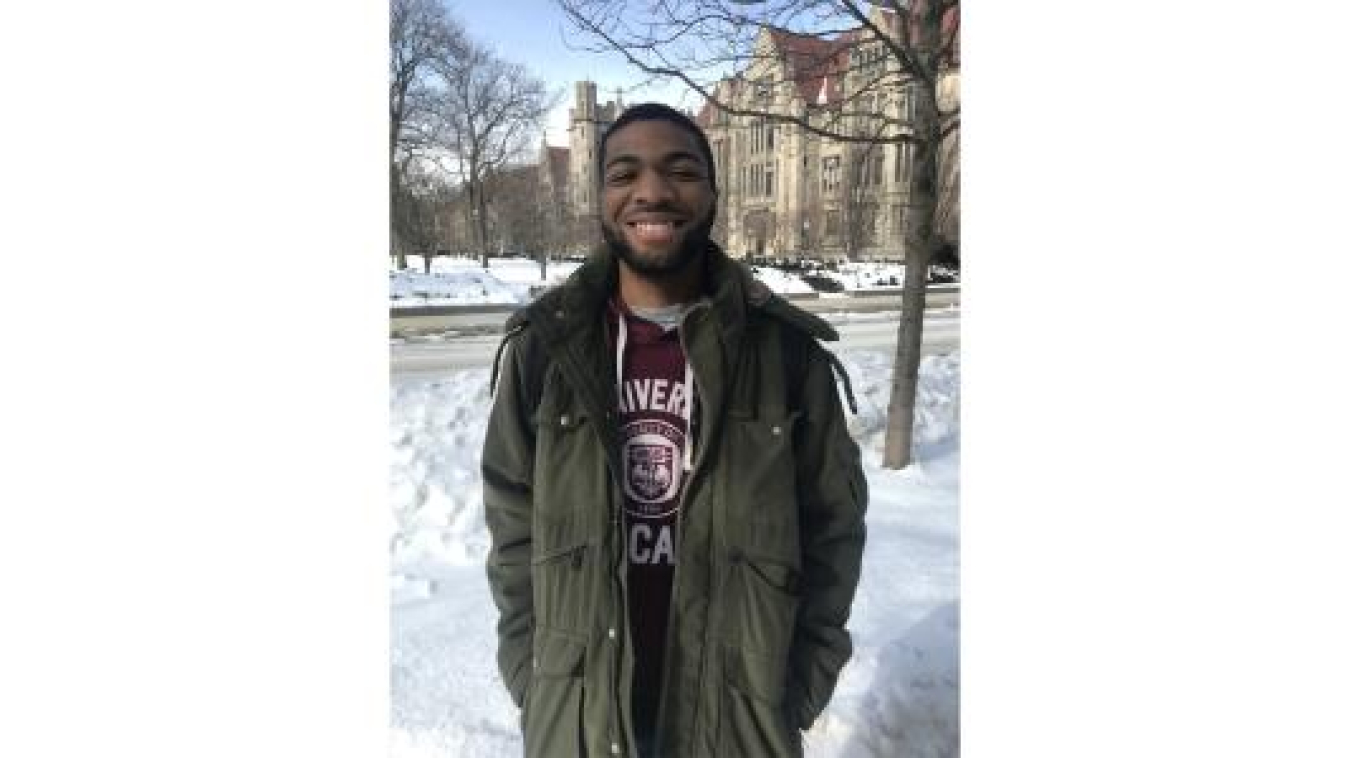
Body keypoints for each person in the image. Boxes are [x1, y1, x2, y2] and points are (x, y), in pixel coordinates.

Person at [482, 103, 867, 758]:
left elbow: (833, 530)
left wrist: (797, 689)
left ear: (714, 193)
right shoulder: (545, 351)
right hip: (578, 719)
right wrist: (534, 677)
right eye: (624, 173)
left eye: (680, 171)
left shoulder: (784, 355)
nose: (653, 192)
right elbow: (513, 531)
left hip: (737, 722)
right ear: (602, 198)